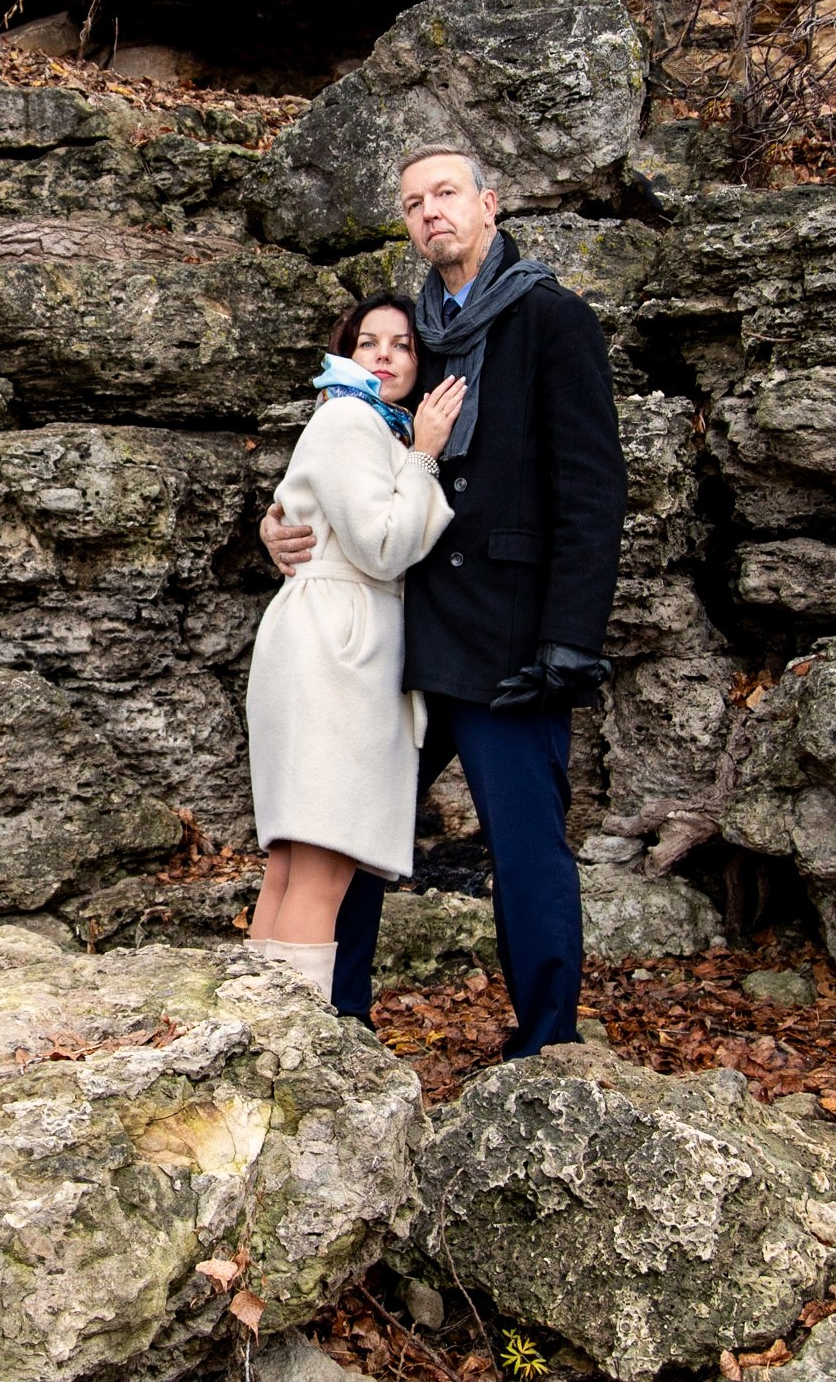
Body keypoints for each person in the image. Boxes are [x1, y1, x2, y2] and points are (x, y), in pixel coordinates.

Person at [260, 145, 626, 1056]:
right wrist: (279, 522)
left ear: (489, 205)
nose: (431, 213)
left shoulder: (551, 317)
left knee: (528, 853)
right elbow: (359, 467)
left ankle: (547, 1046)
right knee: (354, 838)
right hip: (405, 647)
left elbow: (592, 486)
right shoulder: (412, 335)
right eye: (414, 202)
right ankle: (334, 1029)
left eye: (447, 194)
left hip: (510, 646)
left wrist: (570, 637)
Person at [244, 295, 464, 1002]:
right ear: (347, 352)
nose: (384, 354)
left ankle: (251, 1037)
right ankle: (291, 1058)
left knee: (293, 863)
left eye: (402, 344)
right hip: (338, 652)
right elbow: (383, 544)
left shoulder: (361, 424)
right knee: (322, 867)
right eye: (368, 341)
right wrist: (425, 454)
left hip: (322, 639)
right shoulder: (350, 417)